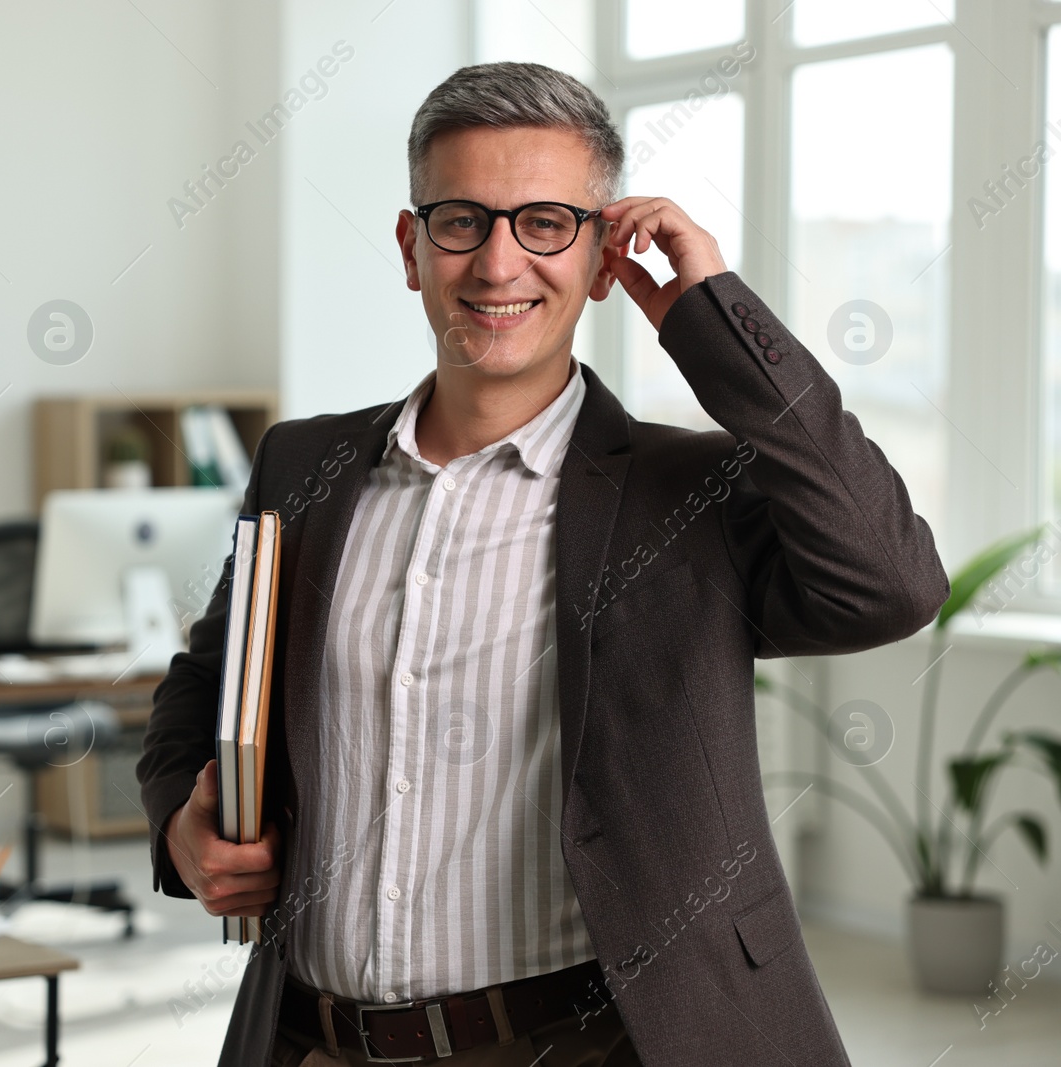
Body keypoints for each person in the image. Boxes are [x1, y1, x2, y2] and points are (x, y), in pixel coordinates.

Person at [136, 61, 947, 1067]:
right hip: (317, 1040)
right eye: (462, 221)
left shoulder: (681, 493)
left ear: (605, 257)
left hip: (592, 1042)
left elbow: (891, 580)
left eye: (545, 223)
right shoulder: (304, 464)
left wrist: (711, 313)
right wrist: (180, 820)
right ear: (411, 246)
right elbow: (210, 682)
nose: (497, 263)